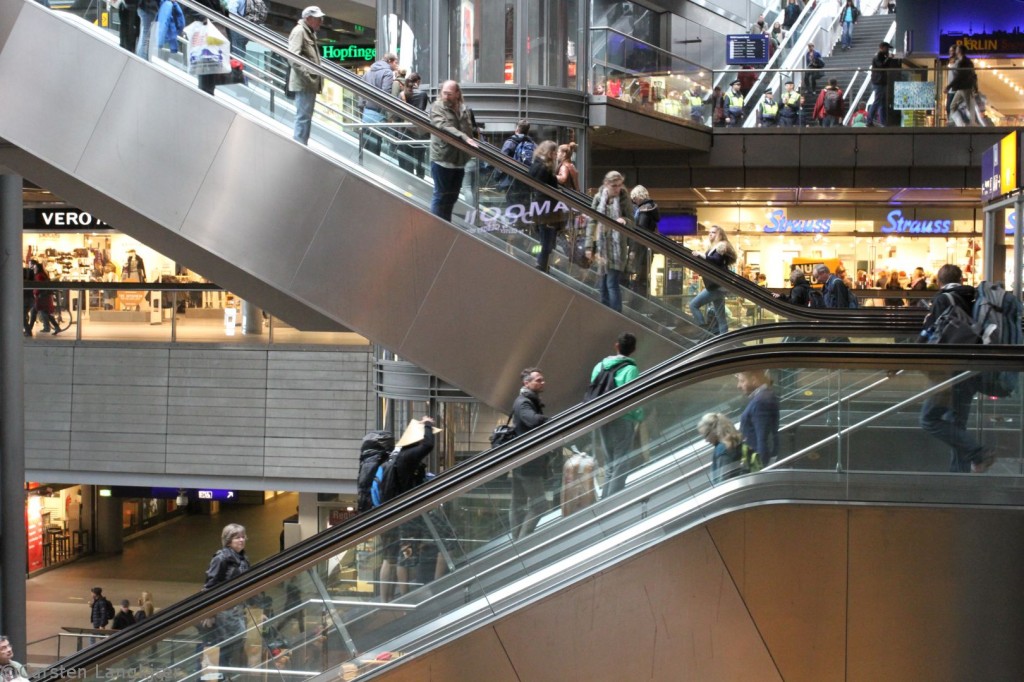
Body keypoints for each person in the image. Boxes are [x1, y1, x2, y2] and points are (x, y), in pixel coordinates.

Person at [918, 264, 996, 473]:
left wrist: (909, 358)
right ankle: (959, 476)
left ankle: (978, 452)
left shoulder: (943, 299)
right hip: (972, 368)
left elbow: (927, 333)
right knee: (957, 423)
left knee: (929, 419)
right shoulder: (975, 298)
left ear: (939, 281)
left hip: (948, 371)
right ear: (961, 279)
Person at [376, 416, 440, 599]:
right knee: (406, 556)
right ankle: (405, 596)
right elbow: (428, 445)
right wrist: (428, 424)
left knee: (394, 557)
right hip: (404, 515)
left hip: (393, 512)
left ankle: (388, 598)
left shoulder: (398, 455)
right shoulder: (407, 457)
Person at [590, 333, 642, 497]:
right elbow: (633, 398)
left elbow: (593, 389)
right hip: (623, 419)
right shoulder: (631, 369)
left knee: (610, 462)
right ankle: (613, 502)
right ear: (633, 349)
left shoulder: (600, 366)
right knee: (621, 462)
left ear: (616, 346)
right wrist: (639, 417)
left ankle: (605, 500)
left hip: (603, 418)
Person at [428, 80, 479, 222]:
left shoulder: (465, 109)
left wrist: (471, 141)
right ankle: (436, 226)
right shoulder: (437, 107)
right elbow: (443, 126)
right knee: (441, 195)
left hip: (460, 160)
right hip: (442, 158)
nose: (446, 96)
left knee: (453, 196)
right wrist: (464, 138)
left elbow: (470, 130)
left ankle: (445, 225)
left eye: (449, 94)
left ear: (457, 94)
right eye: (444, 93)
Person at [202, 524, 250, 669]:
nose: (241, 540)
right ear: (228, 540)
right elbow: (210, 586)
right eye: (237, 538)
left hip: (237, 610)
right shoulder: (221, 558)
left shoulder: (242, 558)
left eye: (243, 537)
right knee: (225, 648)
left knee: (236, 645)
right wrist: (209, 613)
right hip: (224, 612)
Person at [509, 368, 549, 539]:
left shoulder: (527, 401)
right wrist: (549, 420)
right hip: (528, 462)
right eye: (538, 380)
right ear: (527, 383)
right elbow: (532, 420)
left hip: (522, 460)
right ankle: (522, 543)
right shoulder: (524, 402)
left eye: (542, 380)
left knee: (517, 503)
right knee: (540, 506)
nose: (542, 383)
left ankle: (516, 540)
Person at [585, 171, 632, 312]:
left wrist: (624, 220)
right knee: (603, 283)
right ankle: (605, 312)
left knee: (611, 282)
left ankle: (616, 314)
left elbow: (632, 221)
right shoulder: (599, 198)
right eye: (614, 186)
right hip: (602, 246)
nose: (617, 189)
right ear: (606, 184)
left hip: (618, 248)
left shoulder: (624, 198)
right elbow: (592, 221)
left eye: (619, 185)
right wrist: (588, 246)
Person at [689, 225, 737, 336]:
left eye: (714, 232)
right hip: (718, 286)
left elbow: (716, 261)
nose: (711, 234)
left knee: (693, 305)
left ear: (719, 234)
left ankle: (704, 329)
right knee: (721, 318)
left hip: (715, 286)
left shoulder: (721, 246)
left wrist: (701, 255)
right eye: (709, 232)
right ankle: (723, 340)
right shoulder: (714, 247)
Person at [287, 6, 324, 145]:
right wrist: (307, 76)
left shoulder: (309, 32)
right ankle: (300, 145)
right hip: (304, 83)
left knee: (305, 116)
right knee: (303, 117)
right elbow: (293, 57)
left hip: (308, 82)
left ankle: (302, 143)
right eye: (318, 18)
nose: (321, 21)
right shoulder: (300, 31)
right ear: (308, 19)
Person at [529, 141, 561, 272]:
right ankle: (541, 265)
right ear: (548, 152)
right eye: (554, 152)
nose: (556, 155)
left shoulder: (536, 164)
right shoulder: (544, 167)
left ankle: (542, 264)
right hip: (546, 209)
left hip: (541, 207)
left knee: (545, 239)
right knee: (546, 241)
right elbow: (542, 186)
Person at [736, 370, 780, 466]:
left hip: (756, 462)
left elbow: (763, 438)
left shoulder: (761, 401)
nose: (738, 386)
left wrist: (760, 466)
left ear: (754, 380)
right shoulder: (763, 397)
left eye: (742, 381)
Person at [360, 51, 398, 156]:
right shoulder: (388, 73)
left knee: (366, 147)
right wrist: (388, 114)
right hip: (378, 114)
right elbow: (385, 94)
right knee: (376, 147)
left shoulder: (369, 71)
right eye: (396, 62)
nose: (396, 65)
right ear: (390, 61)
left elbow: (361, 90)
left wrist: (361, 107)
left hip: (366, 114)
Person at [698, 412, 751, 484]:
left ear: (714, 430)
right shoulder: (734, 440)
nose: (706, 440)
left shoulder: (722, 450)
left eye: (706, 435)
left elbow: (723, 481)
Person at [397, 72, 429, 178]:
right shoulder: (423, 94)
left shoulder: (402, 94)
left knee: (407, 157)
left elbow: (398, 114)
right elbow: (424, 111)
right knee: (420, 158)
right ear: (418, 82)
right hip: (420, 132)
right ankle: (420, 178)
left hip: (405, 131)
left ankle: (408, 181)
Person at [629, 185, 659, 296]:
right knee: (643, 276)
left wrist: (633, 250)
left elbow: (640, 231)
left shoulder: (644, 210)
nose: (634, 201)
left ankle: (637, 300)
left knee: (639, 275)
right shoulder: (650, 208)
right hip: (646, 248)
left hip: (641, 249)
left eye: (635, 198)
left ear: (639, 196)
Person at [497, 119, 537, 199]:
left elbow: (501, 160)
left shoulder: (510, 142)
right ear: (527, 130)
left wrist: (498, 176)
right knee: (525, 206)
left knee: (512, 206)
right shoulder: (533, 144)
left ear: (517, 129)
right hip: (527, 181)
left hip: (512, 181)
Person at [868, 41, 899, 127]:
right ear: (882, 48)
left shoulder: (882, 57)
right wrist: (889, 58)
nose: (888, 50)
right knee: (878, 101)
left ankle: (883, 122)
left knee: (882, 103)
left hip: (881, 82)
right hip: (878, 82)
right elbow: (882, 66)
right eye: (886, 48)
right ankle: (869, 120)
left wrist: (888, 58)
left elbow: (885, 66)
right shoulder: (877, 57)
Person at [948, 43, 980, 127]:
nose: (956, 51)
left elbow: (959, 77)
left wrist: (949, 86)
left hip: (964, 87)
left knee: (967, 107)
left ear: (959, 51)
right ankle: (961, 124)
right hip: (963, 88)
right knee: (953, 106)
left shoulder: (962, 62)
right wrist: (975, 86)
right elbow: (974, 75)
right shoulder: (967, 62)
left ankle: (972, 124)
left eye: (957, 49)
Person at [26, 260, 60, 336]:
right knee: (43, 312)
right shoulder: (43, 274)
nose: (34, 269)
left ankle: (29, 330)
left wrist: (35, 293)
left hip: (41, 297)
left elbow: (38, 287)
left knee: (35, 312)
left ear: (38, 268)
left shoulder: (39, 276)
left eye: (35, 268)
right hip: (44, 297)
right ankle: (56, 327)